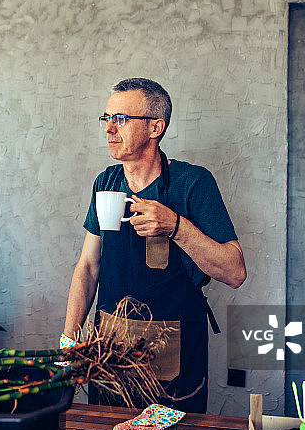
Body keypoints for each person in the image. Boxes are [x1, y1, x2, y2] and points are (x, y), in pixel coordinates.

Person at [62, 78, 246, 413]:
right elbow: (88, 266)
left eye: (121, 118)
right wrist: (69, 345)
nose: (109, 129)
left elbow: (234, 271)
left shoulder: (193, 183)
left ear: (155, 127)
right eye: (107, 118)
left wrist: (176, 226)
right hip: (109, 354)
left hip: (171, 354)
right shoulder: (106, 183)